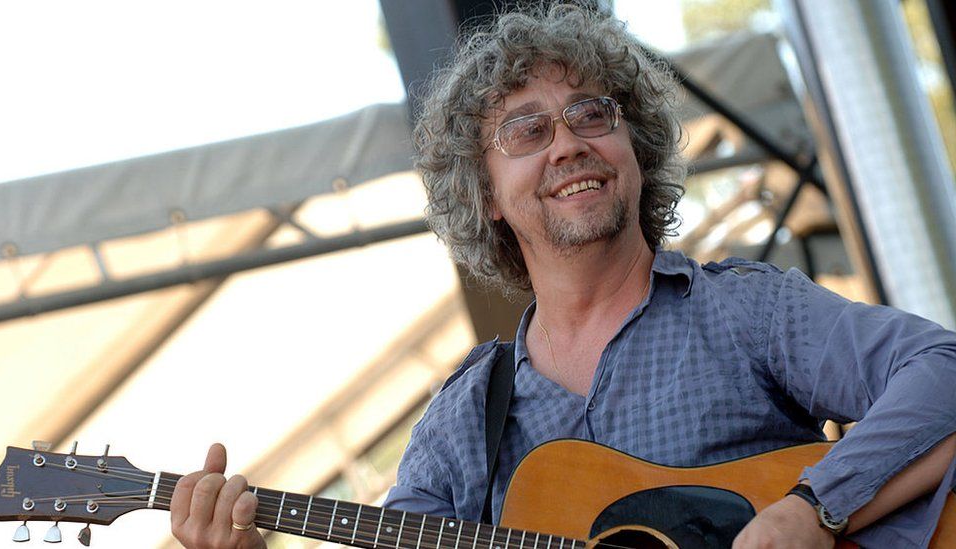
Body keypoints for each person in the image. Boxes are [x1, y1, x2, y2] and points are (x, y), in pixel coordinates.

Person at [169, 3, 956, 548]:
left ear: (634, 153)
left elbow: (941, 368)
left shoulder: (744, 309)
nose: (569, 143)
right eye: (527, 129)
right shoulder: (461, 422)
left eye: (592, 114)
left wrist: (812, 510)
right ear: (486, 197)